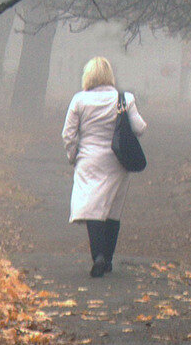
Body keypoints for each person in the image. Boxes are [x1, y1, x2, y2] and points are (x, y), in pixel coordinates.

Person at [62, 56, 147, 277]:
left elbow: (68, 134)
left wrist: (73, 156)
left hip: (88, 161)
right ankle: (108, 259)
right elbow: (139, 128)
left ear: (87, 76)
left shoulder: (79, 100)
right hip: (117, 162)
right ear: (110, 75)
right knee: (112, 210)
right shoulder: (124, 99)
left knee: (91, 208)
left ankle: (97, 256)